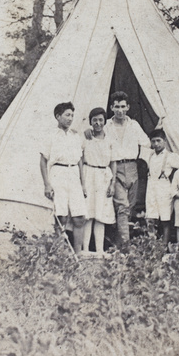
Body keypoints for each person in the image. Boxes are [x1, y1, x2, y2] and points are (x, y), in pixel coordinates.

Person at [103, 91, 150, 247]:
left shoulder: (133, 125)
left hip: (132, 167)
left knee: (129, 206)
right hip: (115, 167)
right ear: (112, 107)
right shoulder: (106, 126)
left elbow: (146, 142)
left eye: (123, 106)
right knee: (122, 206)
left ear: (128, 107)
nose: (120, 110)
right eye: (117, 107)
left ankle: (118, 241)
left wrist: (142, 161)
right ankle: (125, 247)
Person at [40, 102, 86, 255]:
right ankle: (60, 253)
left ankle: (78, 253)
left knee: (79, 217)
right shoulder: (50, 135)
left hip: (73, 174)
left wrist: (83, 183)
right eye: (67, 115)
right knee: (61, 217)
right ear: (58, 116)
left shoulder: (75, 136)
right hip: (58, 174)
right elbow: (43, 160)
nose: (70, 118)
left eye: (72, 115)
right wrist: (47, 184)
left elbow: (80, 160)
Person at [82, 107, 117, 255]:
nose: (97, 123)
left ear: (105, 121)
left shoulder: (110, 140)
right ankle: (85, 249)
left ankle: (100, 250)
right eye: (94, 120)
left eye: (100, 120)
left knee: (101, 215)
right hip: (89, 174)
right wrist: (82, 183)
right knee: (88, 214)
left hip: (104, 176)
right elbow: (80, 159)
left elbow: (113, 162)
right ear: (90, 122)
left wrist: (112, 183)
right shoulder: (85, 138)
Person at [145, 129, 179, 246]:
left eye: (159, 141)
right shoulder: (150, 155)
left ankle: (164, 246)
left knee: (165, 218)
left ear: (165, 141)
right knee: (151, 217)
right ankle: (152, 243)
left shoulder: (171, 156)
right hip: (151, 187)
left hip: (164, 187)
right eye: (153, 141)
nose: (156, 144)